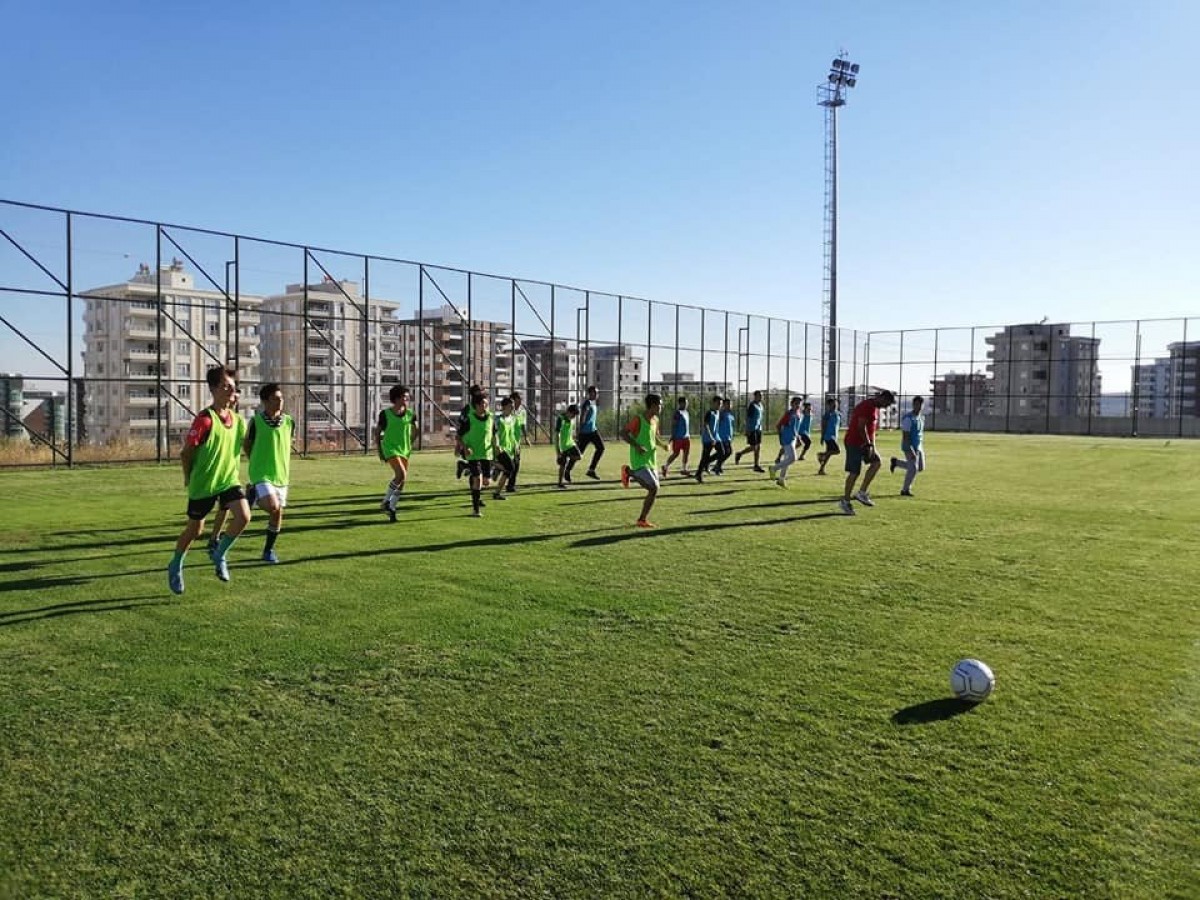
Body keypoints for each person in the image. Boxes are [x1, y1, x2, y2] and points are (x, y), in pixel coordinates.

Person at [167, 365, 250, 595]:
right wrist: (188, 477)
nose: (230, 390)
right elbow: (186, 453)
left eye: (233, 387)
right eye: (225, 386)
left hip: (228, 481)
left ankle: (219, 554)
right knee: (195, 531)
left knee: (244, 516)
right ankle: (175, 564)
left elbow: (244, 447)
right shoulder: (204, 420)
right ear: (213, 389)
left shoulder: (239, 421)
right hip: (203, 484)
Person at [243, 382, 294, 562]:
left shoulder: (289, 422)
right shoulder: (256, 421)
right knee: (272, 506)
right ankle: (255, 492)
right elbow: (247, 444)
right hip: (261, 474)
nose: (280, 402)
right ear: (265, 401)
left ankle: (268, 551)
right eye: (275, 399)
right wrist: (255, 462)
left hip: (281, 475)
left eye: (281, 399)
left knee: (277, 513)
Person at [840, 389, 897, 515]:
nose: (885, 407)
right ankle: (845, 501)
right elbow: (861, 427)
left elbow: (871, 430)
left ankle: (862, 492)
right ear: (882, 398)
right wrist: (868, 444)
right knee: (854, 472)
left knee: (876, 463)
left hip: (865, 444)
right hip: (854, 442)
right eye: (886, 404)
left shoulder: (874, 408)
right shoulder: (867, 406)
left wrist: (873, 446)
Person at [620, 393, 664, 528]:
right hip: (639, 459)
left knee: (654, 489)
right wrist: (637, 446)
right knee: (653, 488)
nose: (662, 407)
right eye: (660, 404)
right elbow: (623, 433)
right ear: (653, 405)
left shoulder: (655, 420)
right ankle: (629, 472)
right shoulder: (638, 419)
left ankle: (642, 520)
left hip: (651, 459)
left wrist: (663, 445)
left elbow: (654, 437)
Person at [377, 384, 417, 523]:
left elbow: (415, 431)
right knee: (401, 474)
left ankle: (392, 509)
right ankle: (385, 502)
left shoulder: (411, 414)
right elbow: (378, 433)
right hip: (390, 448)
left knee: (402, 482)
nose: (407, 399)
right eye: (405, 397)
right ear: (397, 398)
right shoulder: (385, 414)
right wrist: (380, 450)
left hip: (405, 450)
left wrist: (410, 442)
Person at [458, 391, 494, 517]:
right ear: (477, 405)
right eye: (483, 404)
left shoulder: (490, 418)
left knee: (486, 482)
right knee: (477, 480)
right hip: (472, 454)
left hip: (486, 455)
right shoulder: (470, 419)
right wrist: (464, 447)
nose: (485, 406)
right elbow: (459, 436)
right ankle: (476, 510)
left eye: (487, 404)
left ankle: (463, 466)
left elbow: (494, 434)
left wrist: (497, 447)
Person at [891, 395, 926, 496]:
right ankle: (905, 490)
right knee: (913, 469)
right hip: (909, 446)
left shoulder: (921, 417)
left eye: (920, 404)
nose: (918, 407)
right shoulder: (908, 418)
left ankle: (896, 462)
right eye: (916, 404)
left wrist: (918, 447)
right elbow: (906, 436)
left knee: (920, 467)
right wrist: (911, 450)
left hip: (918, 446)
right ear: (913, 405)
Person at [768, 396, 804, 488]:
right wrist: (781, 438)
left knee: (787, 460)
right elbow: (779, 426)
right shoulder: (789, 414)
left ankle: (781, 480)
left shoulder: (799, 414)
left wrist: (798, 438)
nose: (798, 405)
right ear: (791, 404)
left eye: (799, 403)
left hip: (793, 438)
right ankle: (773, 468)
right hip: (787, 439)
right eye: (796, 403)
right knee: (793, 458)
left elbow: (795, 428)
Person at [491, 395, 519, 500]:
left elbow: (512, 434)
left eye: (513, 406)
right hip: (501, 449)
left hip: (510, 449)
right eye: (511, 406)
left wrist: (516, 445)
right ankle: (493, 465)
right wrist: (497, 446)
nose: (513, 408)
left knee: (508, 471)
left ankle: (497, 493)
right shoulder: (498, 419)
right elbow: (495, 434)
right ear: (504, 406)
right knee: (510, 468)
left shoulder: (512, 419)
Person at [455, 384, 485, 481]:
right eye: (479, 392)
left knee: (480, 465)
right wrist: (458, 446)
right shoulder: (467, 410)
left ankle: (464, 466)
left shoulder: (484, 408)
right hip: (468, 443)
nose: (481, 394)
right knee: (476, 467)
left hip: (481, 442)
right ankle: (475, 490)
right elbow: (460, 427)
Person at [577, 384, 605, 479]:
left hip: (593, 431)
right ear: (590, 393)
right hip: (585, 433)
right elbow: (583, 417)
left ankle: (591, 470)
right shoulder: (587, 403)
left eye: (597, 393)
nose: (597, 394)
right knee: (578, 454)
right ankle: (566, 468)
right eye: (595, 392)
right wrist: (580, 430)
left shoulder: (593, 403)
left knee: (601, 448)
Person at [734, 390, 766, 472]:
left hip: (758, 429)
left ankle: (756, 465)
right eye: (759, 395)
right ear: (755, 396)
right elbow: (748, 418)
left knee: (758, 447)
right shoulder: (752, 406)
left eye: (761, 396)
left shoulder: (761, 406)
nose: (761, 397)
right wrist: (747, 430)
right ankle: (739, 454)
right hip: (752, 429)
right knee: (753, 447)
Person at [694, 395, 722, 483]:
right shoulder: (709, 413)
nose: (719, 405)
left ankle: (707, 463)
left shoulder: (718, 413)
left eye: (720, 404)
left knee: (722, 452)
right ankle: (698, 474)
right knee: (704, 456)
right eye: (718, 403)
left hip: (716, 438)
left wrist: (716, 437)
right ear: (714, 403)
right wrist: (711, 437)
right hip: (708, 439)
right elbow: (706, 426)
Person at [661, 396, 691, 477]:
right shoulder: (677, 413)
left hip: (686, 437)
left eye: (687, 402)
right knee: (676, 454)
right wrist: (672, 436)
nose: (686, 404)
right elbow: (674, 425)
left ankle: (684, 469)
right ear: (680, 403)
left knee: (686, 453)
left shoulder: (687, 412)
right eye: (685, 402)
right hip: (678, 437)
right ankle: (665, 467)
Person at [506, 391, 529, 492]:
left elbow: (523, 425)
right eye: (518, 399)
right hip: (506, 441)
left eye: (521, 399)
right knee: (505, 463)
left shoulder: (522, 411)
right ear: (513, 400)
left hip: (516, 442)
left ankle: (510, 485)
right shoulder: (508, 411)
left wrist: (526, 437)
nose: (520, 401)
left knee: (516, 464)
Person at [555, 404, 582, 488]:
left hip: (570, 444)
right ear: (569, 412)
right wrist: (558, 451)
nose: (574, 417)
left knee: (579, 456)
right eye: (573, 415)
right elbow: (557, 435)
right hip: (563, 446)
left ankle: (567, 465)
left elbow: (570, 432)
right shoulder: (561, 419)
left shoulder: (571, 420)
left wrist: (575, 438)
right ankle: (560, 483)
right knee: (562, 465)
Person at [815, 397, 843, 476]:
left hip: (834, 436)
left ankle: (821, 470)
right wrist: (822, 437)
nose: (834, 405)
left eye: (835, 404)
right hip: (828, 436)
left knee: (829, 454)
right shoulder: (827, 415)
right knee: (837, 451)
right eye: (832, 404)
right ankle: (821, 455)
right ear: (828, 405)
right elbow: (823, 426)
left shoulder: (838, 414)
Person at [712, 397, 736, 475]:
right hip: (722, 437)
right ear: (724, 405)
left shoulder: (730, 415)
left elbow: (730, 427)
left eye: (730, 404)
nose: (729, 405)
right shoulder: (721, 414)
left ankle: (716, 465)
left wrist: (731, 436)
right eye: (727, 404)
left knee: (724, 453)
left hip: (728, 437)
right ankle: (717, 466)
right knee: (727, 452)